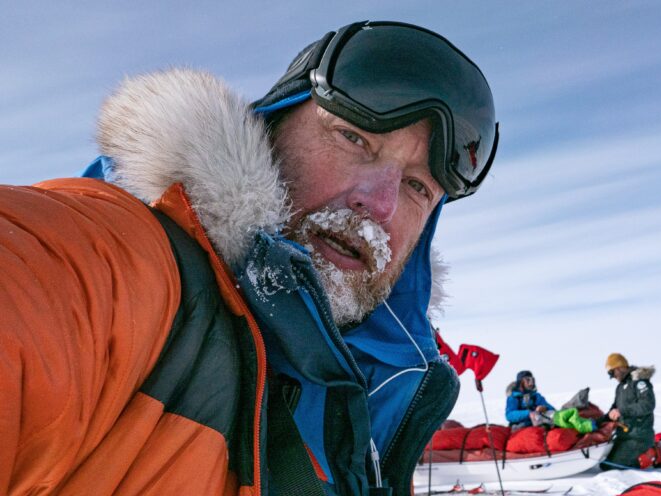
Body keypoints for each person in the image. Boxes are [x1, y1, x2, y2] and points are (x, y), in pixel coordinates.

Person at [0, 20, 498, 496]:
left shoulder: (380, 398)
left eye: (416, 186)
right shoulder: (125, 268)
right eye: (353, 139)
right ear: (271, 129)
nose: (380, 204)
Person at [600, 353, 659, 470]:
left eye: (612, 372)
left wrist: (622, 411)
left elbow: (647, 405)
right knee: (603, 462)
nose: (612, 377)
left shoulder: (639, 382)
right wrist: (596, 422)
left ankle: (650, 453)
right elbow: (614, 410)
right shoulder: (620, 388)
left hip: (638, 436)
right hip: (624, 435)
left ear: (620, 367)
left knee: (611, 467)